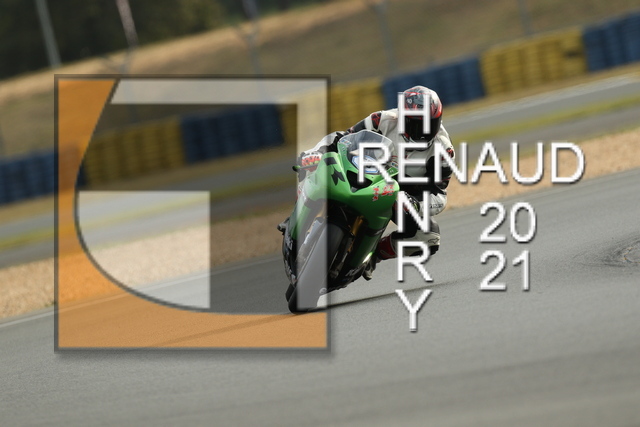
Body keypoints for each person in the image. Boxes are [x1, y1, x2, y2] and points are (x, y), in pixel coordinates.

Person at [281, 85, 455, 280]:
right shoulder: (382, 120)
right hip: (366, 171)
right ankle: (298, 213)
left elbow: (439, 194)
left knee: (428, 237)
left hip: (399, 195)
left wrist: (416, 204)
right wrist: (316, 152)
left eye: (429, 123)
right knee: (318, 166)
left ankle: (373, 256)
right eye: (415, 124)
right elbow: (343, 138)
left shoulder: (444, 151)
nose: (422, 131)